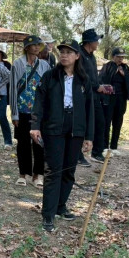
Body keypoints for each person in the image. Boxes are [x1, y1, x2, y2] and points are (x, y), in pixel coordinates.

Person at [30, 39, 94, 233]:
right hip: (54, 127)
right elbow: (39, 102)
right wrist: (35, 126)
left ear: (77, 56)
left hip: (76, 128)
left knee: (68, 170)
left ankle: (60, 206)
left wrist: (89, 136)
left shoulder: (83, 79)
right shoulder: (50, 76)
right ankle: (48, 213)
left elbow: (90, 109)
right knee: (53, 170)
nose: (64, 55)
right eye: (62, 52)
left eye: (69, 52)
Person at [10, 35, 51, 187]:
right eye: (33, 45)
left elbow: (48, 88)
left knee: (39, 143)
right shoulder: (18, 64)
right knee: (23, 143)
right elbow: (13, 89)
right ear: (27, 47)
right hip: (22, 110)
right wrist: (14, 113)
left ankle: (38, 175)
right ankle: (23, 174)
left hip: (38, 112)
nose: (36, 47)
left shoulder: (44, 65)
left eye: (38, 45)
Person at [99, 47, 129, 155]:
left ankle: (114, 146)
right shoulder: (107, 66)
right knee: (107, 122)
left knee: (118, 122)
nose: (120, 59)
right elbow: (101, 80)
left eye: (122, 57)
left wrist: (124, 75)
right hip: (109, 98)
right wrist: (114, 73)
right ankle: (105, 146)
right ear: (113, 57)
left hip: (121, 98)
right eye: (118, 57)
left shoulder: (125, 67)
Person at [79, 28, 107, 167]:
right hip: (82, 95)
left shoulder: (92, 56)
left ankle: (96, 152)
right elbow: (81, 76)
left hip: (94, 95)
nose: (98, 43)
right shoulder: (79, 55)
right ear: (89, 42)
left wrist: (100, 86)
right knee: (81, 125)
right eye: (96, 40)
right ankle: (78, 155)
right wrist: (96, 86)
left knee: (100, 122)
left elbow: (94, 76)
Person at [0, 48, 13, 149]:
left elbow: (10, 77)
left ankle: (8, 141)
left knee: (1, 116)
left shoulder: (7, 65)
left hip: (2, 94)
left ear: (1, 55)